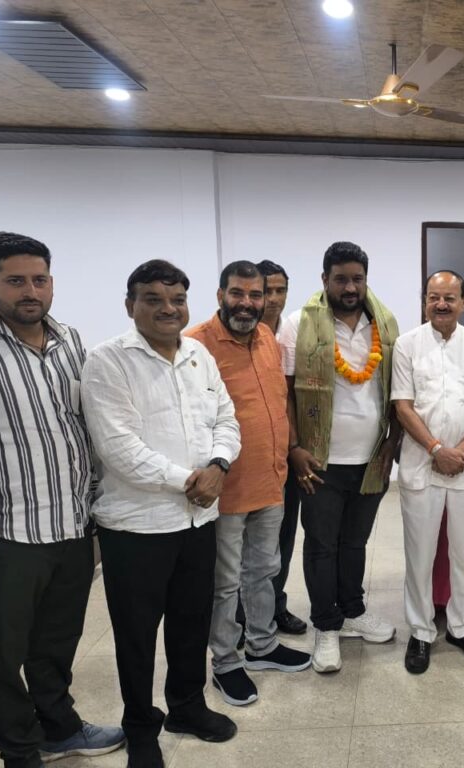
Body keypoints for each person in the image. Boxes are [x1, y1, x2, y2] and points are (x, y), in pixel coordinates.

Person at [0, 232, 124, 768]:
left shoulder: (71, 341)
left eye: (39, 279)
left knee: (56, 643)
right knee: (2, 656)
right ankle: (19, 750)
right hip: (7, 535)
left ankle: (59, 727)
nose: (30, 291)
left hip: (73, 529)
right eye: (15, 281)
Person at [81, 260, 242, 768]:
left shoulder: (199, 355)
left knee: (192, 623)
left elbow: (226, 419)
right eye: (153, 299)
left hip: (197, 521)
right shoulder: (107, 361)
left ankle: (187, 708)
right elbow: (118, 447)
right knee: (136, 633)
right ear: (130, 305)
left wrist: (219, 465)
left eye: (177, 299)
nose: (167, 309)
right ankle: (140, 726)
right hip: (137, 526)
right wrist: (191, 481)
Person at [186, 260, 310, 708]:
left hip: (270, 480)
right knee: (224, 583)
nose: (248, 303)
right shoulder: (196, 345)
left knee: (264, 571)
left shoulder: (267, 340)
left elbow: (277, 401)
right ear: (220, 294)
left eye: (255, 295)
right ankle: (225, 661)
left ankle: (261, 644)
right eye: (237, 293)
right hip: (225, 488)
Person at [279, 241, 401, 673]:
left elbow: (397, 389)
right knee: (321, 545)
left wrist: (393, 443)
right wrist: (294, 448)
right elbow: (285, 392)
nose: (350, 287)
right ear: (324, 279)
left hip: (371, 459)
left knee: (354, 543)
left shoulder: (384, 324)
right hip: (319, 461)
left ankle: (352, 610)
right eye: (340, 279)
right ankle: (326, 626)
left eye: (357, 279)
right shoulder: (298, 324)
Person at [392, 270, 464, 674]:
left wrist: (461, 451)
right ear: (425, 301)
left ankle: (461, 627)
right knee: (420, 555)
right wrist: (437, 450)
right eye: (434, 297)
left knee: (463, 554)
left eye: (449, 298)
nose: (441, 304)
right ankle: (421, 632)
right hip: (422, 465)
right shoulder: (407, 344)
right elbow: (403, 407)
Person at [255, 259, 307, 636]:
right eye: (266, 291)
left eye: (280, 290)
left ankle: (276, 605)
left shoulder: (290, 333)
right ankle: (245, 616)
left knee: (284, 537)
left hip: (288, 455)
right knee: (251, 545)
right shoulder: (242, 335)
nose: (273, 299)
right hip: (251, 457)